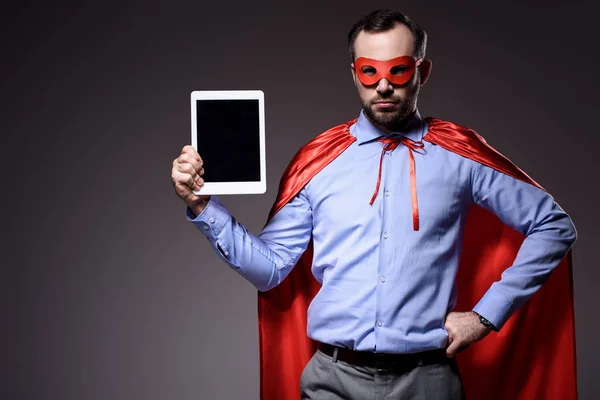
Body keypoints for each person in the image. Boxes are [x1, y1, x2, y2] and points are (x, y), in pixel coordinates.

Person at [171, 9, 577, 400]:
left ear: (422, 71)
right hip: (333, 379)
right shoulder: (319, 160)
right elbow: (271, 269)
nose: (383, 86)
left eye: (397, 70)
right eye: (370, 71)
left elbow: (554, 226)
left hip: (428, 381)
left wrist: (486, 314)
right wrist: (205, 207)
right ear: (354, 74)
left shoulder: (460, 156)